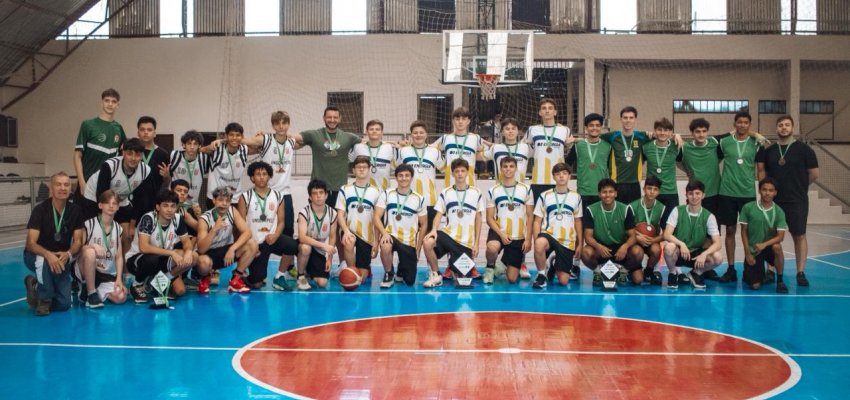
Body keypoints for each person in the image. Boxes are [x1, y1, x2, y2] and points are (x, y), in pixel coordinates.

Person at [757, 115, 818, 287]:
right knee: (771, 235)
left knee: (799, 235)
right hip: (774, 202)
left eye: (787, 125)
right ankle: (770, 270)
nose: (784, 128)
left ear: (792, 127)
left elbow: (814, 174)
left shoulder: (805, 150)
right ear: (777, 128)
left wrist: (798, 187)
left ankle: (800, 272)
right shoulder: (770, 151)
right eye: (780, 125)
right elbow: (763, 174)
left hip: (797, 200)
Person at [241, 111, 298, 282]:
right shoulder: (265, 140)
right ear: (273, 125)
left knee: (288, 233)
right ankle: (250, 259)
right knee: (257, 228)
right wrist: (220, 141)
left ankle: (287, 268)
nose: (281, 126)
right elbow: (243, 140)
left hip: (284, 194)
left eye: (284, 123)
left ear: (288, 124)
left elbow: (304, 140)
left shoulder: (292, 141)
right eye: (277, 123)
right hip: (265, 193)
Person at [716, 111, 768, 283]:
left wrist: (762, 192)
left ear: (749, 125)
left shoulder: (756, 143)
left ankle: (751, 267)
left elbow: (760, 169)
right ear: (734, 124)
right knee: (730, 231)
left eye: (746, 122)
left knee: (750, 232)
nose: (742, 125)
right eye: (739, 122)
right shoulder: (725, 142)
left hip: (748, 194)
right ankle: (731, 269)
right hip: (727, 193)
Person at [23, 172, 84, 316]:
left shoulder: (75, 211)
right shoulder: (40, 210)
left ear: (71, 189)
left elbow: (78, 242)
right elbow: (30, 243)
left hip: (60, 258)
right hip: (37, 255)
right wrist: (47, 255)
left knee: (64, 304)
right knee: (43, 263)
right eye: (58, 184)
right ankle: (44, 300)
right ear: (51, 188)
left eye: (66, 185)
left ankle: (35, 285)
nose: (63, 188)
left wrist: (68, 254)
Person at [125, 190, 198, 303]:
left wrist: (188, 251)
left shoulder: (178, 219)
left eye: (173, 206)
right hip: (138, 260)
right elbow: (144, 247)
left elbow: (187, 243)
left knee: (193, 257)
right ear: (158, 207)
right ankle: (136, 284)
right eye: (165, 206)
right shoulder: (149, 218)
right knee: (152, 258)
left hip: (161, 259)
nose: (169, 210)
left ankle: (158, 282)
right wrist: (172, 253)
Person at [83, 138, 155, 252]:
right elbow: (101, 195)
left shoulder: (145, 171)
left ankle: (124, 268)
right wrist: (105, 222)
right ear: (123, 152)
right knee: (99, 232)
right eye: (129, 153)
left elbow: (140, 199)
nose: (133, 158)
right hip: (95, 197)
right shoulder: (110, 165)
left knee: (127, 235)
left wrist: (132, 225)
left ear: (142, 156)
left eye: (137, 155)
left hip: (121, 199)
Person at [422, 159, 485, 288]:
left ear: (468, 172)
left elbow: (478, 219)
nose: (460, 174)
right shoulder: (446, 192)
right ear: (452, 174)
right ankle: (436, 274)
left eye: (462, 171)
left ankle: (453, 267)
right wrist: (434, 230)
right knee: (428, 241)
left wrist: (476, 243)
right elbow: (438, 214)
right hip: (448, 236)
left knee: (463, 280)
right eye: (457, 171)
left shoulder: (476, 193)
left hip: (465, 243)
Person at [237, 162, 299, 290]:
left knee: (293, 245)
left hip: (271, 239)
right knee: (256, 283)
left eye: (264, 174)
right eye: (258, 174)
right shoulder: (245, 197)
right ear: (252, 177)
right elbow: (240, 224)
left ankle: (279, 277)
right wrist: (251, 246)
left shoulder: (278, 196)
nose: (261, 177)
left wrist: (276, 235)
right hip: (255, 242)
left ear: (269, 177)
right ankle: (243, 276)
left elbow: (281, 221)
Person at [289, 106, 361, 207]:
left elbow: (370, 143)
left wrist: (390, 143)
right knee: (317, 221)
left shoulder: (349, 137)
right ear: (324, 118)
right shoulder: (314, 135)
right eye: (329, 117)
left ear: (340, 118)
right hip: (318, 189)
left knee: (337, 221)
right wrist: (266, 137)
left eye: (335, 117)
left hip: (339, 189)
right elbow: (291, 137)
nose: (332, 120)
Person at [662, 180, 724, 289]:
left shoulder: (709, 216)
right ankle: (673, 273)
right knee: (669, 247)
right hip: (680, 252)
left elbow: (718, 243)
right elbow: (666, 234)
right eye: (691, 193)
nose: (694, 197)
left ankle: (696, 273)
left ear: (703, 195)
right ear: (686, 195)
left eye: (697, 193)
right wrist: (681, 244)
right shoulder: (677, 210)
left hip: (697, 255)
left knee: (718, 257)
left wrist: (704, 254)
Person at [581, 179, 643, 286]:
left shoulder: (625, 209)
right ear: (599, 194)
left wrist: (625, 246)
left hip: (620, 250)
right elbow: (588, 236)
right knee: (585, 252)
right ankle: (598, 270)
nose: (607, 195)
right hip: (601, 249)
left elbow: (633, 236)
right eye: (604, 192)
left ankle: (623, 270)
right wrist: (598, 246)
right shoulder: (590, 210)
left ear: (616, 193)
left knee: (638, 275)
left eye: (611, 192)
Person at [196, 187, 258, 294]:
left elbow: (247, 232)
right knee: (203, 262)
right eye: (220, 200)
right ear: (214, 201)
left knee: (252, 244)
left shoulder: (232, 211)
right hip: (208, 254)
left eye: (227, 200)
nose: (224, 203)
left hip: (226, 253)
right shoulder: (204, 219)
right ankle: (205, 277)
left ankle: (235, 280)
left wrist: (232, 249)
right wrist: (214, 229)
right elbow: (201, 249)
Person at [374, 164, 427, 287]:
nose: (404, 178)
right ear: (396, 178)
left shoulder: (419, 198)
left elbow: (424, 225)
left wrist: (418, 249)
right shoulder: (387, 194)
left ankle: (401, 269)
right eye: (400, 176)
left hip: (409, 242)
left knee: (409, 281)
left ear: (412, 177)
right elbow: (376, 217)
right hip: (391, 235)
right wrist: (384, 234)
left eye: (407, 175)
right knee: (386, 245)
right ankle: (388, 273)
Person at [531, 163, 583, 289]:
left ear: (569, 176)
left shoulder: (576, 197)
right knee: (540, 243)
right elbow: (537, 220)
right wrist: (536, 240)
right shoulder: (545, 196)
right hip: (549, 235)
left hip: (567, 240)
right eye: (558, 174)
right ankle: (541, 275)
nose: (561, 176)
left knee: (564, 281)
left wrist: (580, 243)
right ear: (554, 177)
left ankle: (553, 264)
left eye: (564, 173)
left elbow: (578, 221)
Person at [484, 156, 534, 284]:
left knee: (512, 278)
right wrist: (501, 233)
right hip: (499, 231)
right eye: (505, 166)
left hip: (517, 235)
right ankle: (490, 269)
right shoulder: (493, 190)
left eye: (511, 166)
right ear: (500, 169)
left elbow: (530, 216)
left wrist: (528, 239)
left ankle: (500, 266)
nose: (508, 169)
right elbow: (489, 218)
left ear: (516, 169)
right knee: (492, 247)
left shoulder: (526, 189)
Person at [74, 190, 127, 308]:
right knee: (90, 252)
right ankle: (91, 293)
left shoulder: (118, 229)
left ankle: (91, 289)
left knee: (121, 297)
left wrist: (119, 279)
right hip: (86, 267)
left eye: (114, 203)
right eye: (108, 203)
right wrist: (92, 246)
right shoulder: (89, 224)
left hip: (105, 273)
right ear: (100, 205)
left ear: (118, 207)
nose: (111, 206)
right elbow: (78, 249)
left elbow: (118, 257)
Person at [73, 88, 126, 204]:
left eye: (113, 101)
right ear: (101, 102)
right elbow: (77, 156)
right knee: (83, 221)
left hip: (107, 187)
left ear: (118, 105)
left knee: (104, 221)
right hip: (87, 184)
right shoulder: (88, 125)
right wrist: (82, 182)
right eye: (107, 100)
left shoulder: (119, 129)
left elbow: (125, 156)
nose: (110, 104)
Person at [336, 156, 381, 279]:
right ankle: (351, 269)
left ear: (369, 169)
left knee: (363, 276)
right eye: (358, 167)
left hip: (367, 235)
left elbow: (377, 220)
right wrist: (345, 231)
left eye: (364, 167)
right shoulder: (345, 189)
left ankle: (361, 269)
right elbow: (340, 215)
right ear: (354, 170)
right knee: (349, 242)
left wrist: (376, 242)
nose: (361, 169)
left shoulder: (376, 191)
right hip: (350, 230)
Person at [739, 178, 788, 293]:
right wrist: (747, 253)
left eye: (771, 190)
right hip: (754, 249)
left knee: (777, 247)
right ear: (759, 191)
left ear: (775, 192)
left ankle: (780, 281)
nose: (767, 193)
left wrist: (764, 244)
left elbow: (781, 237)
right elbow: (743, 231)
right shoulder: (748, 207)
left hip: (768, 248)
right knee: (755, 285)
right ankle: (749, 273)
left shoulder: (779, 211)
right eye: (764, 189)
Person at [396, 120, 445, 232]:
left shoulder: (435, 152)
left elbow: (445, 169)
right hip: (408, 200)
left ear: (426, 134)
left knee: (428, 238)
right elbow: (396, 170)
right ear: (411, 135)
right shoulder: (403, 151)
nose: (418, 135)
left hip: (430, 201)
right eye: (415, 132)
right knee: (408, 236)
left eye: (421, 132)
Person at [599, 106, 652, 204]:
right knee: (618, 216)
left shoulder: (642, 136)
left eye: (631, 118)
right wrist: (574, 140)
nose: (628, 120)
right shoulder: (612, 136)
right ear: (621, 119)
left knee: (633, 217)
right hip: (616, 184)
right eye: (625, 117)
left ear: (635, 119)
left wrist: (676, 136)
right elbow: (592, 139)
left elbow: (663, 135)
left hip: (635, 184)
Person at [526, 98, 574, 201]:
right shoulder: (532, 130)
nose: (547, 111)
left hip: (558, 180)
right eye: (544, 108)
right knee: (538, 215)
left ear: (555, 112)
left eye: (550, 108)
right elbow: (521, 146)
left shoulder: (564, 130)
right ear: (540, 112)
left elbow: (573, 149)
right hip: (538, 180)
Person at [295, 179, 339, 290]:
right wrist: (324, 246)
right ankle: (300, 276)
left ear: (326, 195)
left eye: (321, 193)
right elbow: (302, 237)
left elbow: (333, 236)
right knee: (306, 248)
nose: (318, 196)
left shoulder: (332, 213)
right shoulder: (304, 212)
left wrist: (329, 259)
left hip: (318, 250)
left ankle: (308, 270)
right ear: (310, 197)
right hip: (302, 246)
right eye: (315, 193)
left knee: (322, 283)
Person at [566, 112, 612, 212]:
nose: (594, 128)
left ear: (601, 128)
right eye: (591, 125)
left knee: (600, 226)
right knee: (584, 225)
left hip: (603, 193)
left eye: (597, 125)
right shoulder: (578, 145)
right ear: (586, 127)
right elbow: (567, 164)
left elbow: (611, 170)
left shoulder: (608, 146)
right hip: (583, 193)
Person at [678, 118, 721, 216]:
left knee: (713, 227)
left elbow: (736, 132)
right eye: (697, 132)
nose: (701, 134)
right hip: (694, 194)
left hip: (714, 194)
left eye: (704, 131)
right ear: (692, 133)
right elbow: (677, 161)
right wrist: (676, 135)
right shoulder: (685, 148)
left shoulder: (714, 143)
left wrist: (755, 135)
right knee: (693, 225)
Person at [628, 176, 666, 285]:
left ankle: (649, 271)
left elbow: (667, 233)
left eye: (655, 189)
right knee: (638, 280)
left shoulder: (662, 208)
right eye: (649, 188)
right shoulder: (632, 206)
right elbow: (626, 229)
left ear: (659, 192)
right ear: (644, 189)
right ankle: (631, 269)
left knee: (656, 249)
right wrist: (637, 236)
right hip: (636, 241)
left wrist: (654, 240)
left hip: (652, 240)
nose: (652, 192)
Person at [433, 107, 485, 187]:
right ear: (453, 121)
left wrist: (474, 156)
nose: (460, 122)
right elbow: (429, 150)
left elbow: (490, 151)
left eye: (464, 119)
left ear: (468, 121)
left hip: (469, 183)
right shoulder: (446, 138)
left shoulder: (475, 138)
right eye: (457, 119)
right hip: (450, 183)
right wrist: (443, 167)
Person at [201, 122, 249, 206]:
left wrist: (261, 134)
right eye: (231, 135)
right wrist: (219, 141)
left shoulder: (244, 149)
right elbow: (200, 150)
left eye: (238, 135)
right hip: (215, 197)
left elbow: (260, 146)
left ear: (242, 136)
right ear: (226, 136)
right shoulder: (216, 149)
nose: (234, 138)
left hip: (234, 198)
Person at [641, 117, 679, 222]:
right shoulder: (646, 147)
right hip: (651, 192)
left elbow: (683, 163)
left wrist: (679, 137)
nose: (662, 133)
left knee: (670, 226)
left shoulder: (676, 147)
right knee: (650, 225)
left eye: (666, 130)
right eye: (659, 129)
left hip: (670, 192)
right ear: (655, 131)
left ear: (671, 132)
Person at [168, 130, 211, 207]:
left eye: (195, 144)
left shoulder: (204, 158)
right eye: (189, 143)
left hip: (193, 205)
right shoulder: (174, 156)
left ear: (199, 146)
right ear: (183, 145)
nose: (192, 147)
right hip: (174, 203)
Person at [349, 119, 395, 190]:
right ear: (366, 132)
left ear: (382, 132)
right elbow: (350, 163)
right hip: (363, 192)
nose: (374, 131)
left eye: (377, 129)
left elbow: (395, 168)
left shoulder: (390, 148)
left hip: (383, 192)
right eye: (371, 129)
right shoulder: (357, 147)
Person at [483, 117, 531, 183]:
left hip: (520, 190)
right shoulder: (496, 148)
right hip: (500, 190)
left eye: (513, 128)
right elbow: (476, 156)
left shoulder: (526, 147)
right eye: (507, 129)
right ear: (502, 132)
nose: (510, 131)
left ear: (518, 131)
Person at [135, 116, 171, 192]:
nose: (145, 132)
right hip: (134, 198)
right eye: (142, 129)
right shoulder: (133, 152)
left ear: (154, 133)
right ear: (138, 133)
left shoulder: (163, 154)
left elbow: (167, 181)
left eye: (149, 130)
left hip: (155, 199)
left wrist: (167, 176)